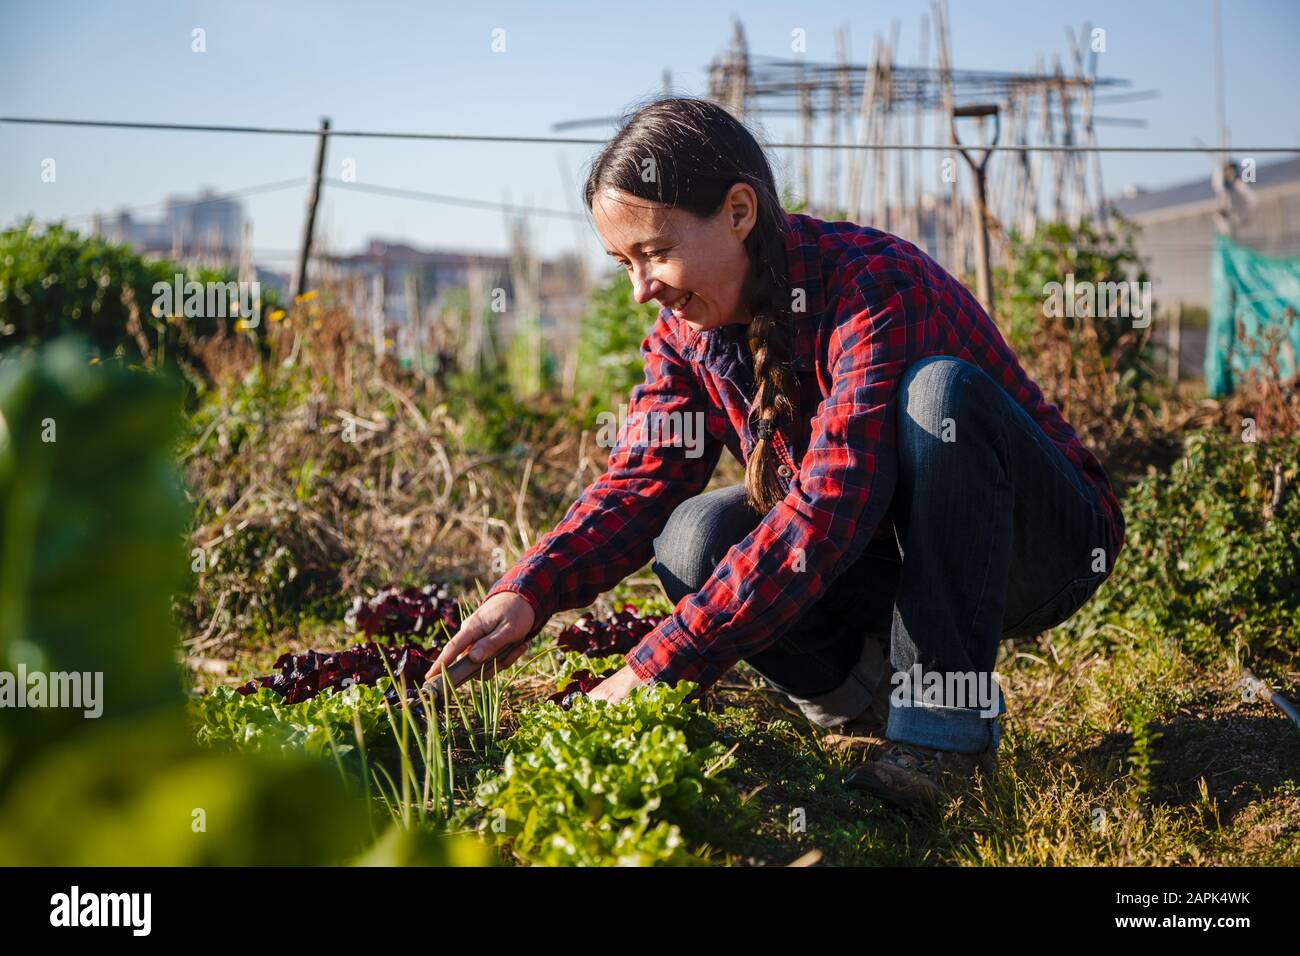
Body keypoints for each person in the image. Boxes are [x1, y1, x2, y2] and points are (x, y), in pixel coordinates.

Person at [426, 96, 1125, 812]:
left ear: (737, 212)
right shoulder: (686, 333)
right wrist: (530, 589)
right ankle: (872, 715)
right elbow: (643, 478)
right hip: (898, 553)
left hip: (1038, 548)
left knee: (938, 396)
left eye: (657, 253)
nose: (641, 290)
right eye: (623, 263)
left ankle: (943, 736)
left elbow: (828, 510)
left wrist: (658, 665)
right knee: (692, 538)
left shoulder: (873, 288)